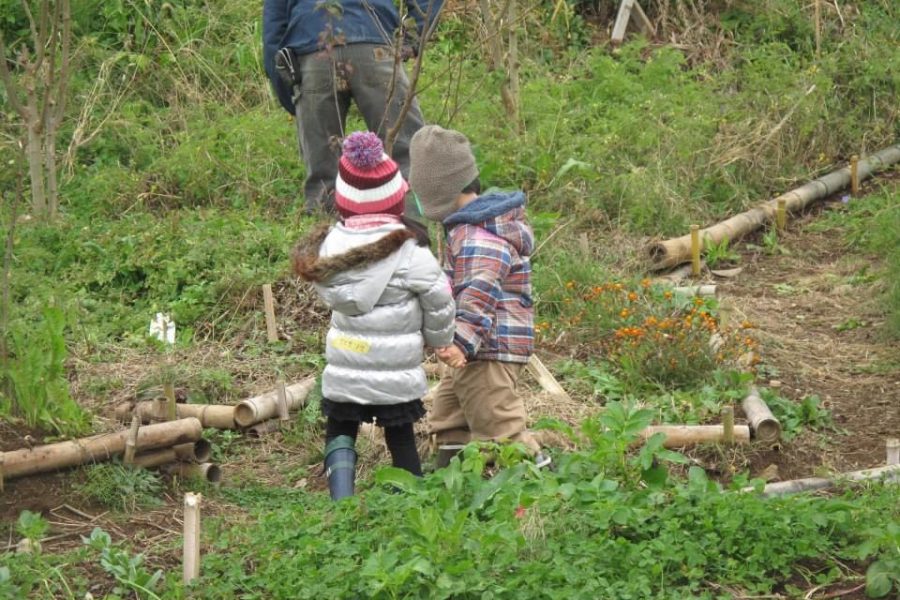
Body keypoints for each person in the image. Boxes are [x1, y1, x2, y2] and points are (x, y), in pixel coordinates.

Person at [292, 131, 455, 500]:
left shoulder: (330, 246)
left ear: (344, 200)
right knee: (400, 434)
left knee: (340, 429)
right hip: (394, 369)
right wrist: (440, 340)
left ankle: (341, 500)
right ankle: (410, 499)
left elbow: (330, 293)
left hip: (348, 361)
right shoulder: (411, 252)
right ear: (397, 197)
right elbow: (439, 299)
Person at [408, 125, 547, 468]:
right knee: (449, 415)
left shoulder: (476, 237)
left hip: (487, 348)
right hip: (477, 348)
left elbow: (478, 292)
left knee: (500, 425)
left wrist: (460, 341)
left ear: (439, 192)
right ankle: (451, 479)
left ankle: (541, 490)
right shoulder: (468, 228)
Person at [262, 0, 443, 214]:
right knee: (406, 156)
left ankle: (328, 237)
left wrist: (293, 99)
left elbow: (273, 31)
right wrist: (414, 39)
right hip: (374, 41)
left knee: (323, 176)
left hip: (312, 49)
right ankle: (416, 229)